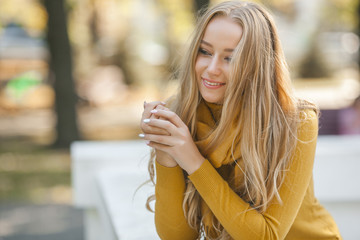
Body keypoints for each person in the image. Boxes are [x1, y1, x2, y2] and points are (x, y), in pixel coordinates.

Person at [139, 1, 342, 239]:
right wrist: (166, 150)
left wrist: (192, 159)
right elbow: (178, 236)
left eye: (230, 58)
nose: (211, 68)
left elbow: (267, 235)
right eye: (205, 52)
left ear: (257, 65)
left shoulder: (295, 121)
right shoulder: (183, 113)